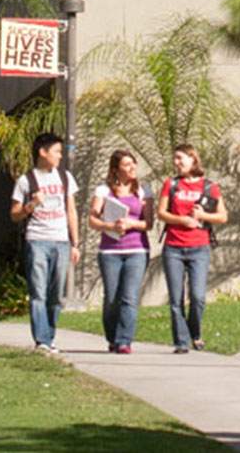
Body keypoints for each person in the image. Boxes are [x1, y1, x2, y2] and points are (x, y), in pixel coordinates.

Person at [9, 133, 81, 354]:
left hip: (61, 241)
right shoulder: (26, 180)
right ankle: (41, 340)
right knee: (38, 292)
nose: (60, 156)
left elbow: (71, 211)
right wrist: (32, 204)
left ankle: (49, 337)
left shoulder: (65, 177)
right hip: (37, 240)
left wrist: (75, 243)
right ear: (43, 152)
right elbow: (14, 215)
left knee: (56, 294)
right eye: (57, 151)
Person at [157, 144, 228, 353]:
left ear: (192, 159)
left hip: (199, 247)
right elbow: (161, 213)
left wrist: (202, 216)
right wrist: (181, 220)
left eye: (180, 158)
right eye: (175, 159)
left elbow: (223, 216)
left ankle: (194, 333)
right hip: (174, 247)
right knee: (175, 298)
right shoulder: (171, 184)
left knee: (198, 297)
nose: (177, 163)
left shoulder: (209, 187)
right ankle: (181, 341)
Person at [88, 150, 154, 354]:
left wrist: (131, 223)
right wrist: (110, 226)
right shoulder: (103, 191)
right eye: (127, 165)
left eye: (133, 164)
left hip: (137, 250)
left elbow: (149, 223)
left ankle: (124, 341)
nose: (132, 168)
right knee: (111, 298)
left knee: (130, 297)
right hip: (110, 251)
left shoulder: (144, 191)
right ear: (116, 169)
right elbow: (92, 219)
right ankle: (112, 337)